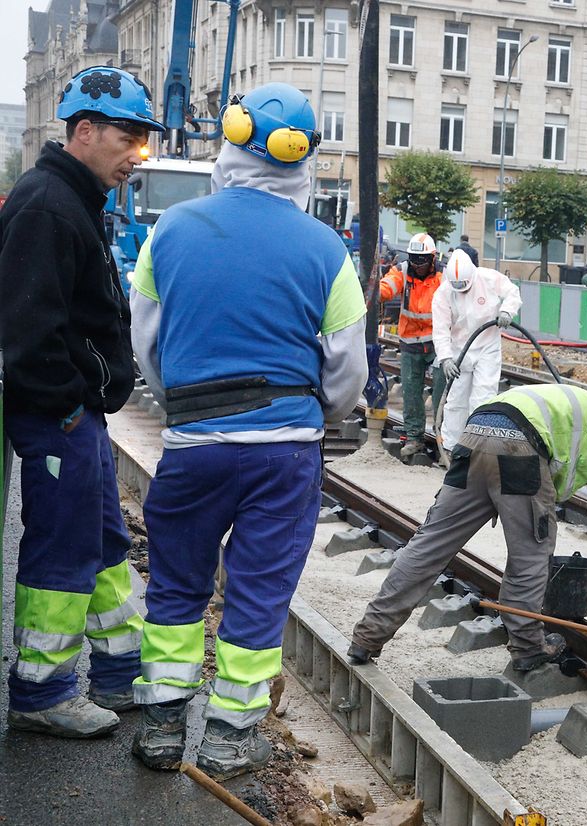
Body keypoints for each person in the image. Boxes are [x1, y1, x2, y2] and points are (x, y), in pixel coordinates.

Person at [128, 83, 367, 778]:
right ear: (302, 160)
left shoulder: (171, 230)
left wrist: (184, 401)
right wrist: (313, 415)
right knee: (260, 590)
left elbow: (145, 338)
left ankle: (164, 727)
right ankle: (230, 735)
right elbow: (347, 369)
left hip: (195, 445)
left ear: (229, 140)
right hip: (285, 453)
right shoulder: (327, 249)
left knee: (175, 585)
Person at [0, 66, 162, 739]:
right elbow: (26, 328)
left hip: (78, 415)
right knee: (62, 550)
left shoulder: (75, 201)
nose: (137, 155)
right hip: (57, 416)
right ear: (84, 130)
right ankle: (42, 691)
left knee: (101, 542)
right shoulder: (46, 204)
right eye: (128, 138)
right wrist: (66, 406)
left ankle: (121, 672)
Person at [347, 384, 587, 670]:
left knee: (428, 545)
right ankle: (528, 648)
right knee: (531, 555)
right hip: (519, 449)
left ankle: (367, 637)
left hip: (474, 436)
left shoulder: (569, 405)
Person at [432, 250, 522, 452]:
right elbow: (440, 329)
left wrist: (507, 310)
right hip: (459, 352)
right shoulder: (443, 293)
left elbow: (512, 292)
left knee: (483, 399)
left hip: (486, 347)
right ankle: (451, 449)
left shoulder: (488, 278)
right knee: (456, 401)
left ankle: (480, 449)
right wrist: (446, 358)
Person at [378, 233, 445, 445]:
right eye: (414, 259)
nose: (417, 265)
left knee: (442, 393)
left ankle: (444, 436)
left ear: (432, 258)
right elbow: (388, 286)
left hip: (438, 343)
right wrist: (374, 291)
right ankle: (414, 436)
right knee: (411, 392)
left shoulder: (444, 277)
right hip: (410, 341)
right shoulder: (403, 271)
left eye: (422, 260)